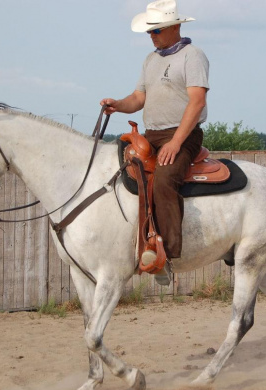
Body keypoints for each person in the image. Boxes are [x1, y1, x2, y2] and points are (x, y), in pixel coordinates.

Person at [101, 0, 209, 286]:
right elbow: (138, 98)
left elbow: (197, 102)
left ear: (175, 26)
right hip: (152, 134)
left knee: (164, 179)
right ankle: (134, 244)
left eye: (157, 30)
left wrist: (176, 142)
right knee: (123, 173)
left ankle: (168, 255)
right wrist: (117, 104)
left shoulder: (193, 56)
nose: (152, 36)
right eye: (150, 31)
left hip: (183, 134)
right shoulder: (150, 60)